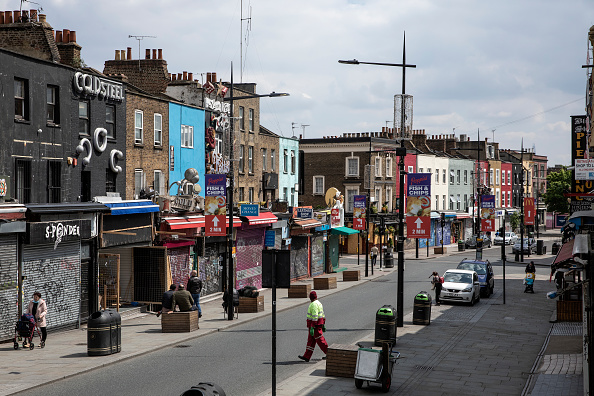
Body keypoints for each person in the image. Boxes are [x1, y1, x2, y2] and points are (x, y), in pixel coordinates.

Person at [298, 291, 328, 362]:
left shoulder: (313, 304)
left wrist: (312, 326)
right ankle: (306, 356)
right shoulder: (319, 303)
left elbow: (315, 316)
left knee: (320, 340)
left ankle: (329, 353)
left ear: (310, 297)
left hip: (315, 326)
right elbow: (322, 314)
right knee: (311, 341)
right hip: (317, 325)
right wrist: (323, 324)